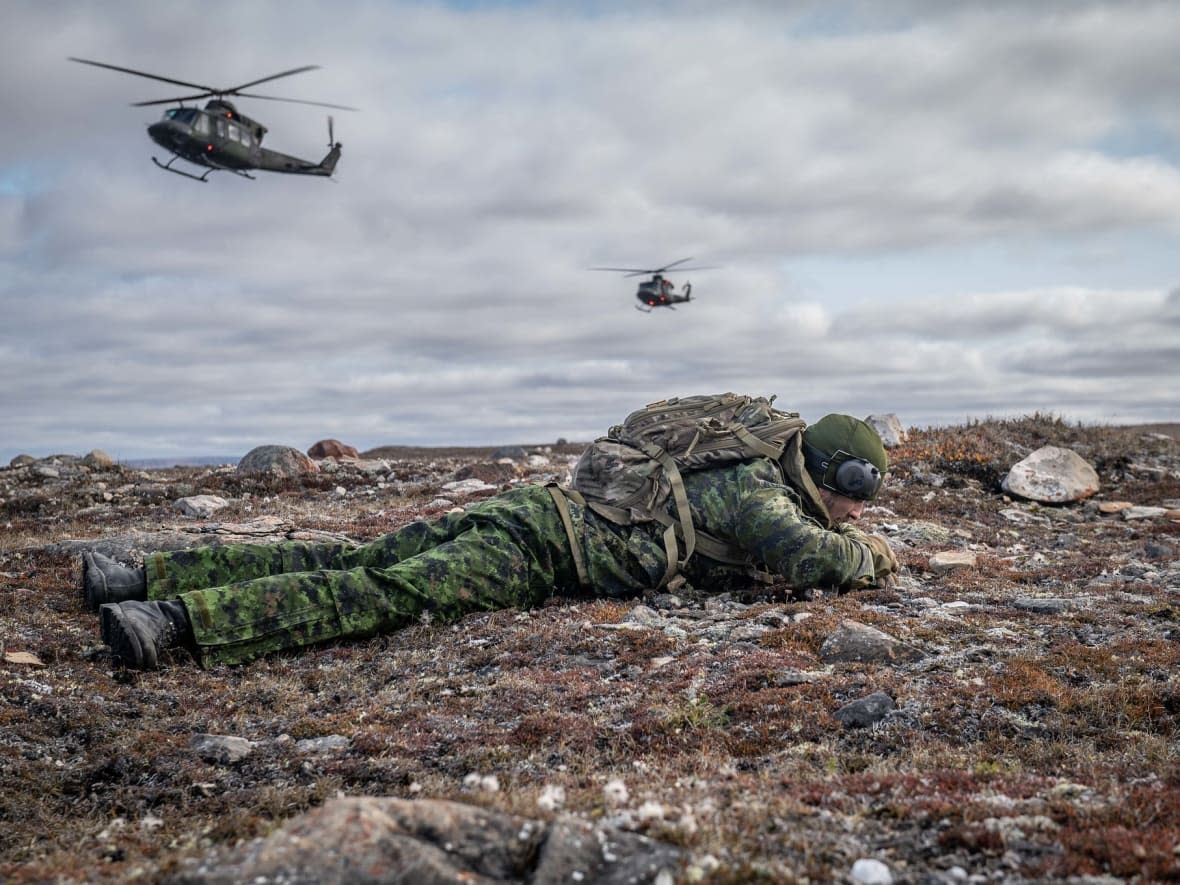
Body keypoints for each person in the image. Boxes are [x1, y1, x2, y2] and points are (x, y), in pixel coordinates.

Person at [82, 411, 898, 670]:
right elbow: (818, 560)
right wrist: (883, 556)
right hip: (540, 548)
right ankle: (177, 620)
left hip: (537, 507)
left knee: (360, 556)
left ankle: (140, 572)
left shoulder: (756, 466)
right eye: (857, 490)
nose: (860, 509)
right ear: (829, 472)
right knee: (384, 588)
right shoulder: (762, 492)